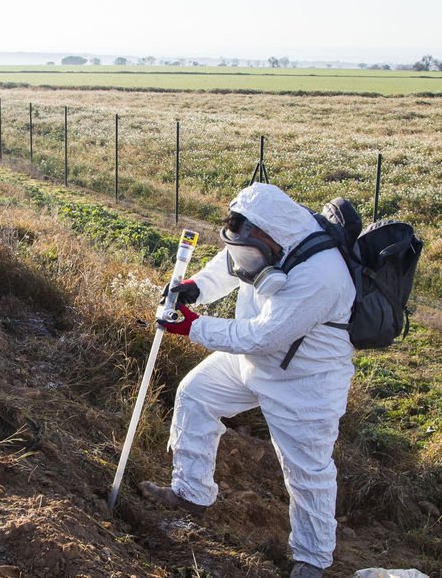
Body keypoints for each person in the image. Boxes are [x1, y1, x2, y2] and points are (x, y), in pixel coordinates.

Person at [143, 182, 356, 578]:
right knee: (196, 395)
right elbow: (230, 263)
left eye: (248, 246)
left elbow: (262, 334)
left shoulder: (322, 274)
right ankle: (191, 494)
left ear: (269, 236)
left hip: (306, 382)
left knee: (306, 472)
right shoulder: (258, 239)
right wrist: (195, 288)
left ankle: (311, 560)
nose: (242, 254)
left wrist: (191, 326)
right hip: (255, 362)